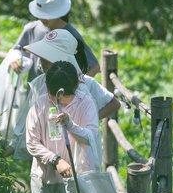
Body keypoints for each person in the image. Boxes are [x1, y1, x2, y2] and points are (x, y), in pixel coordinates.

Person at [11, 29, 120, 159]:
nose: (42, 62)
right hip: (49, 149)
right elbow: (31, 120)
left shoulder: (86, 84)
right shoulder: (39, 84)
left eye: (47, 58)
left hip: (81, 150)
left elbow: (114, 103)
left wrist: (89, 118)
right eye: (42, 57)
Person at [26, 61, 100, 193]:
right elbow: (31, 141)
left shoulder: (85, 103)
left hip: (73, 179)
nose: (58, 101)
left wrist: (71, 125)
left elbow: (91, 137)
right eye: (53, 95)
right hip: (44, 177)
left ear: (75, 87)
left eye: (63, 96)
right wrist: (55, 160)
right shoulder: (40, 104)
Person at [10, 0, 100, 80]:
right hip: (35, 92)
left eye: (47, 15)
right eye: (41, 14)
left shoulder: (71, 36)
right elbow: (18, 48)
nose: (43, 18)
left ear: (59, 12)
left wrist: (75, 88)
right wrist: (16, 57)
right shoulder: (32, 29)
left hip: (60, 93)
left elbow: (94, 67)